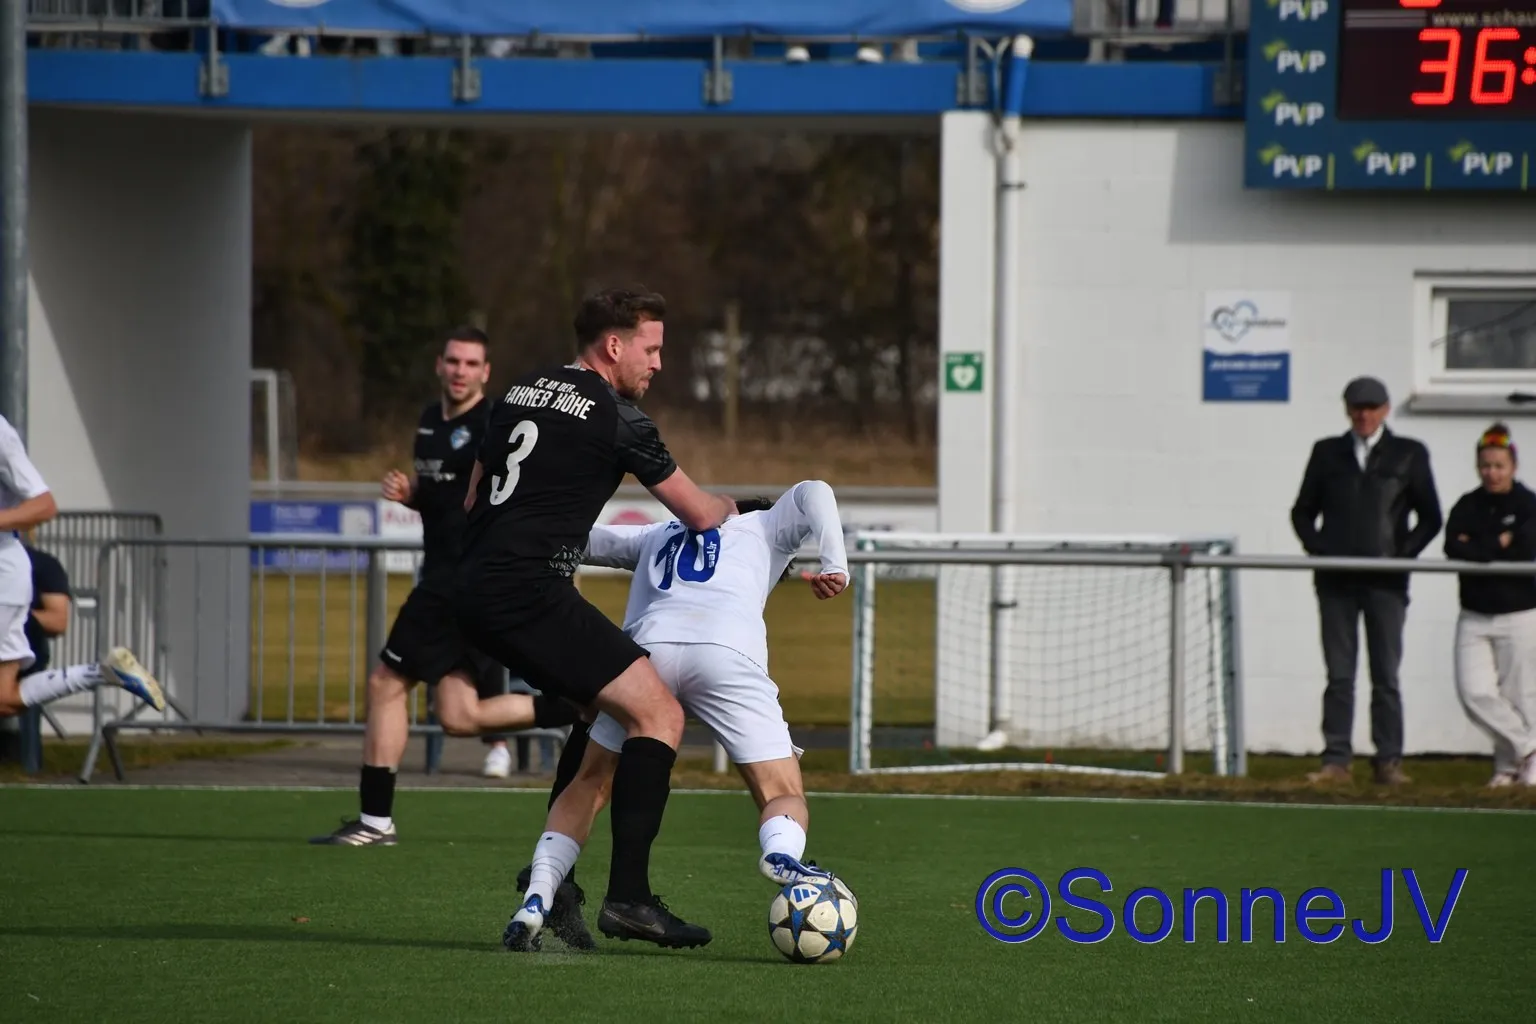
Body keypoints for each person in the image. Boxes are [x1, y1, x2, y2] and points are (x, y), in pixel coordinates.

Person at [452, 286, 736, 949]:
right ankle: (630, 899)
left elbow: (472, 498)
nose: (658, 363)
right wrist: (738, 509)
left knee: (598, 713)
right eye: (652, 348)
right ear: (614, 345)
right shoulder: (618, 416)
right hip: (529, 592)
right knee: (660, 715)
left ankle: (554, 884)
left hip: (469, 587)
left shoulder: (517, 391)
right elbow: (698, 513)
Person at [501, 481, 854, 953]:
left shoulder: (657, 533)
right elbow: (815, 490)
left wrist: (506, 518)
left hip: (647, 655)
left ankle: (538, 895)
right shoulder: (766, 526)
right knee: (781, 791)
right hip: (726, 653)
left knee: (590, 781)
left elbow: (580, 539)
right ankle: (781, 853)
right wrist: (835, 563)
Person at [311, 327, 580, 847]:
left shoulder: (493, 423)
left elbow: (502, 494)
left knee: (385, 684)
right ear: (440, 365)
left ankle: (375, 821)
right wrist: (412, 494)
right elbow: (445, 497)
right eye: (453, 361)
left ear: (486, 372)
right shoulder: (430, 420)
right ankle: (574, 705)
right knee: (459, 716)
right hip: (453, 578)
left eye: (471, 363)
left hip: (456, 581)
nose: (460, 371)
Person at [1290, 376, 1443, 786]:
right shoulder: (1327, 452)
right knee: (1340, 675)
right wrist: (1322, 551)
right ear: (1347, 410)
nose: (1364, 415)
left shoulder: (1408, 453)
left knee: (1385, 675)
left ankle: (1388, 760)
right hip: (1337, 583)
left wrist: (1401, 556)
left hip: (1385, 584)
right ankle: (1336, 759)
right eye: (1357, 407)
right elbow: (1302, 512)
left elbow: (1431, 516)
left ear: (1385, 410)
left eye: (1372, 407)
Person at [0, 415, 164, 719]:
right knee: (4, 698)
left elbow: (43, 505)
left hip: (3, 577)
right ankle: (105, 672)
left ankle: (105, 673)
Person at [1444, 423, 1536, 787]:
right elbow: (1453, 546)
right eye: (1485, 465)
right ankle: (1528, 749)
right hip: (1475, 613)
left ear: (1513, 466)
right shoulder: (1468, 505)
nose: (1492, 473)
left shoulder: (1528, 504)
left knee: (1520, 694)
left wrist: (1481, 545)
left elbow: (1526, 548)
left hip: (1519, 612)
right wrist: (1498, 542)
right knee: (1474, 692)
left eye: (1499, 466)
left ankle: (1509, 767)